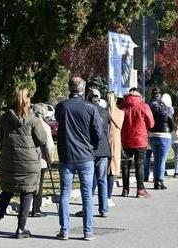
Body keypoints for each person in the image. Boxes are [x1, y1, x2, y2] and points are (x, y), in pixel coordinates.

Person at [0, 87, 46, 239]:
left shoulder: (5, 117)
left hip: (9, 162)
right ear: (28, 100)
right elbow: (42, 140)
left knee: (6, 193)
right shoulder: (33, 119)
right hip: (29, 163)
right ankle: (20, 229)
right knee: (27, 193)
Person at [55, 77, 102, 241]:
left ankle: (64, 230)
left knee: (65, 193)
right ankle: (87, 231)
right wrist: (93, 147)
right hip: (86, 156)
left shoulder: (61, 106)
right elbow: (98, 132)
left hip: (67, 155)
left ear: (70, 88)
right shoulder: (91, 108)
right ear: (83, 89)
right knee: (87, 194)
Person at [120, 88, 154, 198]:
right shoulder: (143, 106)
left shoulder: (122, 107)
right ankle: (140, 190)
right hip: (140, 140)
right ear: (139, 96)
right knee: (139, 165)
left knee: (125, 166)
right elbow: (151, 124)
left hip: (125, 140)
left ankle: (125, 189)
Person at [88, 89, 110, 217]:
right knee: (102, 180)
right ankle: (104, 209)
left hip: (91, 150)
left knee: (89, 181)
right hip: (103, 149)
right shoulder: (105, 112)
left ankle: (88, 208)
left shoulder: (87, 111)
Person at [31, 103, 55, 217]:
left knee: (30, 183)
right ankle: (36, 208)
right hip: (41, 159)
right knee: (38, 185)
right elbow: (49, 146)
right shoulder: (45, 126)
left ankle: (27, 207)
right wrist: (51, 159)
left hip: (29, 158)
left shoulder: (29, 122)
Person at [149, 93, 175, 189]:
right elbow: (172, 125)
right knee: (162, 160)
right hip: (165, 135)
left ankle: (156, 181)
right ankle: (160, 180)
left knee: (156, 159)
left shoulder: (152, 109)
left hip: (152, 135)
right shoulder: (168, 110)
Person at [107, 92, 124, 207]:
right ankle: (108, 196)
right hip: (115, 142)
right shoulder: (120, 113)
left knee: (101, 170)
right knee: (112, 171)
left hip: (103, 142)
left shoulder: (102, 112)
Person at [144, 87, 161, 182]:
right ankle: (156, 176)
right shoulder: (160, 105)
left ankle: (145, 176)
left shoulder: (147, 104)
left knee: (147, 156)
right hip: (157, 132)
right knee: (156, 157)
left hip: (148, 131)